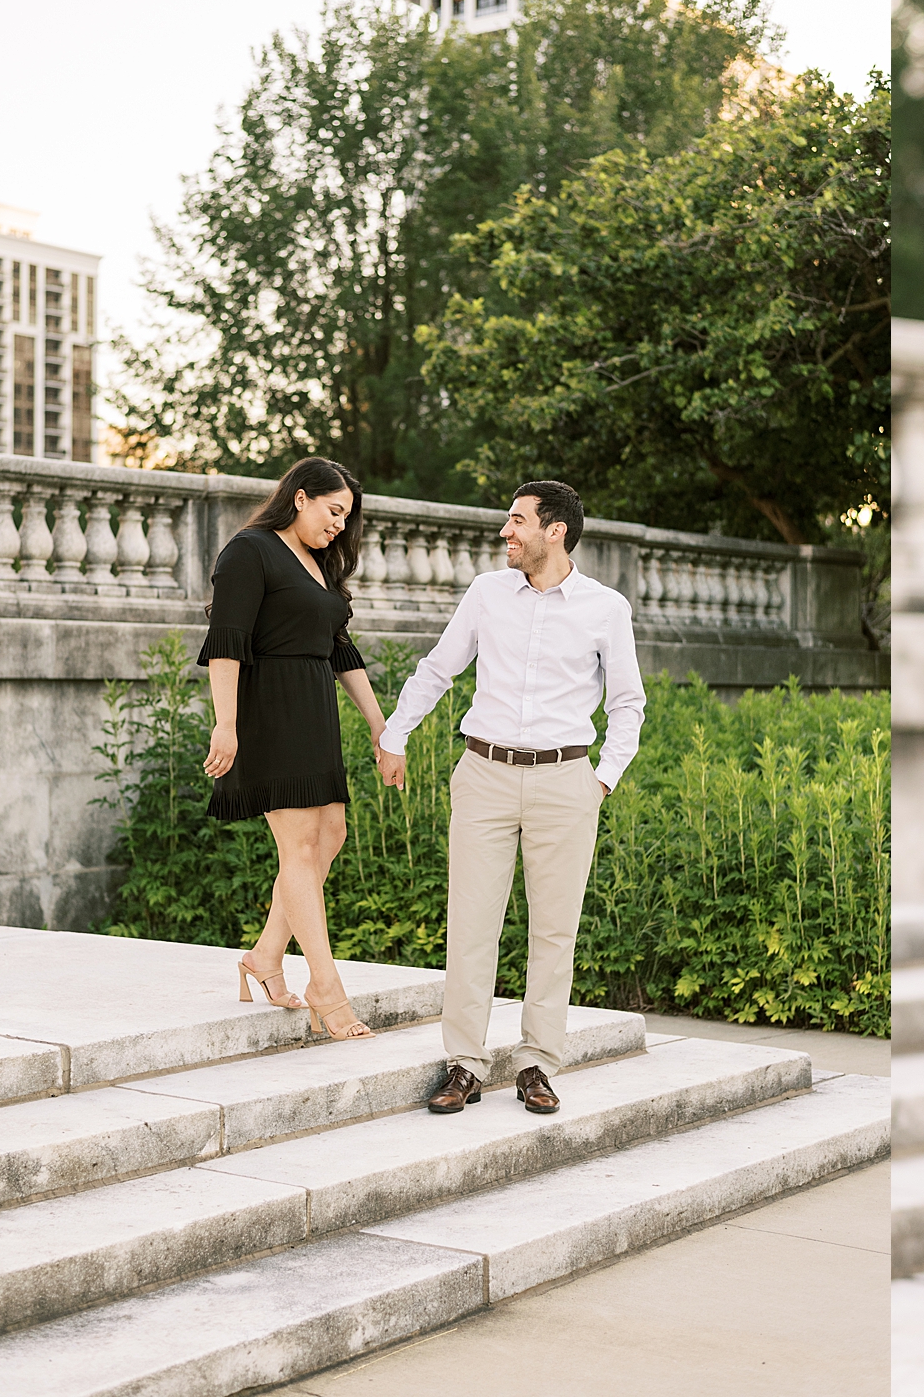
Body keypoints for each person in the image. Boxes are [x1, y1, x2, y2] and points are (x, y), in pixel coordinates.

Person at [376, 480, 645, 1118]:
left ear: (556, 531)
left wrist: (602, 778)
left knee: (554, 930)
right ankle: (464, 1065)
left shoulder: (606, 608)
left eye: (518, 522)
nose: (507, 533)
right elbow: (438, 668)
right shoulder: (486, 593)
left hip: (565, 781)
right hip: (485, 773)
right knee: (471, 926)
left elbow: (627, 703)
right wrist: (395, 733)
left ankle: (536, 1065)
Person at [201, 456, 400, 1043]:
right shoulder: (249, 551)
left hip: (314, 711)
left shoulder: (317, 564)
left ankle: (262, 958)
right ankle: (325, 986)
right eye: (334, 510)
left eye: (346, 516)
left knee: (330, 837)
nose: (340, 524)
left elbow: (340, 649)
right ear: (300, 498)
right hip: (269, 711)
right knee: (300, 844)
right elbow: (226, 644)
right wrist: (225, 724)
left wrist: (380, 727)